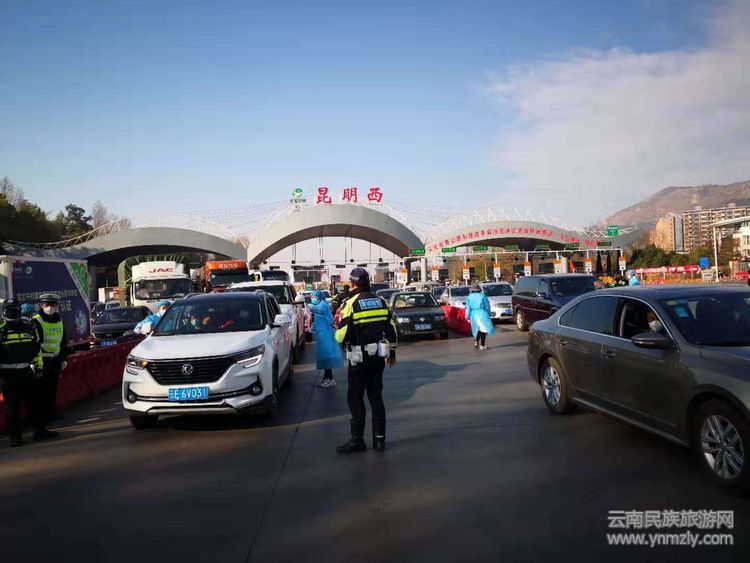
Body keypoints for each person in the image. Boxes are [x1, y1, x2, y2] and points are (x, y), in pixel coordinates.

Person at [335, 268, 398, 453]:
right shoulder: (381, 301)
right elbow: (391, 328)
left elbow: (340, 336)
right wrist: (392, 353)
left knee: (355, 398)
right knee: (376, 397)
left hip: (358, 359)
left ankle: (357, 440)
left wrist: (337, 328)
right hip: (378, 357)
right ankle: (380, 440)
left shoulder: (351, 304)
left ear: (353, 284)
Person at [0, 301, 48, 447]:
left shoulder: (29, 327)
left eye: (16, 310)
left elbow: (37, 349)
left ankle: (39, 431)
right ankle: (15, 437)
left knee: (35, 403)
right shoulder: (1, 330)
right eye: (11, 310)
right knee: (12, 408)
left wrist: (39, 368)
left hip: (26, 371)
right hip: (8, 374)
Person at [31, 294, 69, 438]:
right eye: (47, 304)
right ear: (42, 305)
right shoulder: (36, 321)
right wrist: (36, 364)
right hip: (42, 361)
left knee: (52, 389)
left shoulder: (59, 320)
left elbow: (62, 341)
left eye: (53, 304)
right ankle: (42, 420)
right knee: (41, 391)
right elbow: (35, 344)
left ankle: (50, 414)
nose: (50, 307)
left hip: (55, 360)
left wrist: (63, 358)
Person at [309, 290, 343, 388]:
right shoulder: (321, 304)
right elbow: (320, 317)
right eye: (312, 297)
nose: (313, 299)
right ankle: (328, 378)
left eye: (314, 297)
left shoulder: (322, 304)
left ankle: (328, 378)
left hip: (326, 334)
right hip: (322, 333)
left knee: (326, 357)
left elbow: (319, 310)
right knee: (325, 358)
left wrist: (310, 306)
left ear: (319, 297)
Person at [465, 282, 495, 350]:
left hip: (473, 314)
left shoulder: (469, 297)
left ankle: (476, 342)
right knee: (483, 329)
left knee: (478, 328)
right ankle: (482, 345)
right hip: (482, 314)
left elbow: (468, 308)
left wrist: (467, 316)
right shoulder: (482, 296)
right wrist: (489, 313)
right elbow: (487, 306)